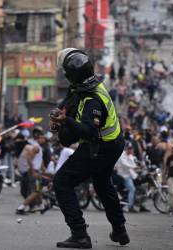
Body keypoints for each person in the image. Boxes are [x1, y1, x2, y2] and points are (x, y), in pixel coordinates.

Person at [50, 48, 129, 249]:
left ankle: (79, 234)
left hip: (102, 146)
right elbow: (67, 105)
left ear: (71, 75)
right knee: (102, 183)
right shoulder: (82, 86)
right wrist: (60, 118)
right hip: (111, 143)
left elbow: (88, 131)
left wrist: (66, 120)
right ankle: (119, 230)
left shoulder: (93, 98)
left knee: (62, 182)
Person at [116, 143, 138, 213]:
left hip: (131, 175)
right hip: (124, 176)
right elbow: (126, 165)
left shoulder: (131, 156)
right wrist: (135, 167)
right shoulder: (122, 155)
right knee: (132, 189)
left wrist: (140, 166)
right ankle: (128, 206)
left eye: (131, 148)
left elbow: (134, 164)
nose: (130, 150)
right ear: (126, 148)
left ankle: (136, 204)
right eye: (129, 148)